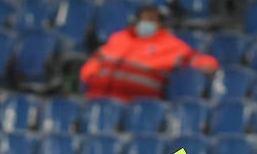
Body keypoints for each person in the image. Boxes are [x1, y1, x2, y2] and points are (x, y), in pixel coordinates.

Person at [80, 6, 219, 101]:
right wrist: (87, 77)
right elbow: (96, 61)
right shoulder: (120, 38)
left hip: (135, 103)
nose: (146, 23)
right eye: (144, 19)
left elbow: (193, 58)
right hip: (96, 97)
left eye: (152, 19)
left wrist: (208, 64)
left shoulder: (170, 44)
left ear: (160, 24)